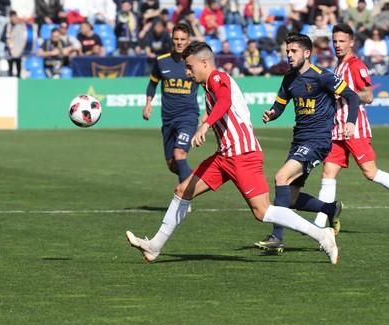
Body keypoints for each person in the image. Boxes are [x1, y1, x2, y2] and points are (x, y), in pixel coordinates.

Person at [126, 41, 340, 264]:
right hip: (224, 157)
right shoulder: (207, 86)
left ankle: (321, 234)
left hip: (243, 155)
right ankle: (154, 247)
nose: (187, 73)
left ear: (204, 63)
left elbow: (225, 101)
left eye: (190, 67)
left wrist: (206, 124)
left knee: (263, 212)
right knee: (182, 190)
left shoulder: (219, 78)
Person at [311, 23, 389, 231]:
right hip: (338, 128)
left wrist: (345, 93)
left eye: (342, 41)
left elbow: (369, 95)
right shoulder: (338, 66)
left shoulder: (356, 65)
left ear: (352, 43)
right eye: (335, 41)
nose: (337, 45)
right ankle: (318, 225)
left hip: (354, 127)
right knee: (328, 173)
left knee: (370, 173)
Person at [254, 33, 360, 252]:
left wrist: (350, 122)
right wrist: (272, 114)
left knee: (281, 177)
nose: (289, 56)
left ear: (307, 53)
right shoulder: (289, 78)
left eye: (294, 51)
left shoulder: (323, 77)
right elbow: (280, 105)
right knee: (290, 199)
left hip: (318, 140)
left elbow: (353, 96)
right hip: (299, 140)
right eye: (287, 51)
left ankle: (277, 237)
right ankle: (330, 209)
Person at [143, 23, 200, 186]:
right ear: (172, 39)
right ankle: (194, 178)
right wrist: (148, 104)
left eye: (183, 39)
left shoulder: (195, 62)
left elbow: (209, 86)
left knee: (180, 153)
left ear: (189, 41)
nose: (179, 42)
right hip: (168, 118)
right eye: (176, 39)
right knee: (172, 163)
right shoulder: (161, 61)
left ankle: (184, 198)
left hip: (188, 116)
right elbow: (152, 84)